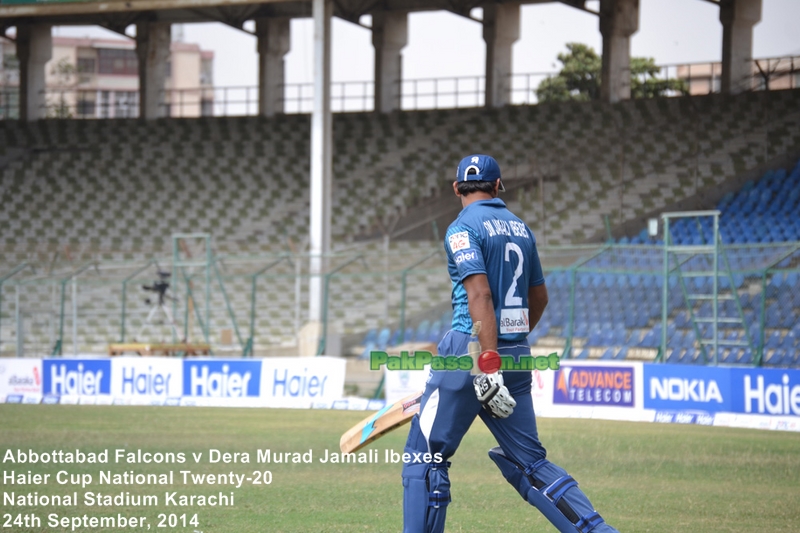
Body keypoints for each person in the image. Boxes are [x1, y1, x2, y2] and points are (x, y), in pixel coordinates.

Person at [401, 155, 619, 533]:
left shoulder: (460, 228)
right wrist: (507, 348)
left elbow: (480, 295)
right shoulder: (520, 228)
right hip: (516, 354)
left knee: (424, 459)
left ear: (456, 189)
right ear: (499, 186)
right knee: (531, 463)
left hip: (470, 352)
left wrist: (487, 363)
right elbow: (540, 299)